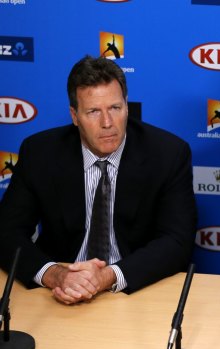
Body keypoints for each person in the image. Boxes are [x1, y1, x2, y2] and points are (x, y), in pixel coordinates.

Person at [0, 56, 197, 304]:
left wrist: (106, 277)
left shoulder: (168, 154)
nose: (107, 123)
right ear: (74, 115)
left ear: (126, 105)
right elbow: (6, 233)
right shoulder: (40, 153)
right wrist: (55, 274)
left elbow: (177, 242)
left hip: (135, 289)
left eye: (115, 108)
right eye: (93, 111)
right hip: (58, 291)